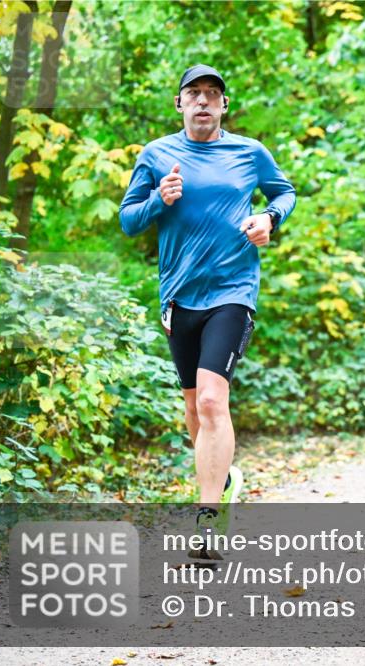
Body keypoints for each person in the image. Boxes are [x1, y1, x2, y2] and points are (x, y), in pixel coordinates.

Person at [119, 65, 296, 558]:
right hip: (179, 295)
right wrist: (158, 199)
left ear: (223, 105)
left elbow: (284, 192)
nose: (203, 101)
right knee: (195, 405)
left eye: (212, 95)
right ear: (179, 104)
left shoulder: (248, 152)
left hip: (233, 291)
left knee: (214, 401)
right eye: (193, 94)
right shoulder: (156, 155)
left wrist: (269, 216)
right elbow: (128, 221)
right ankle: (222, 479)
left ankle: (207, 519)